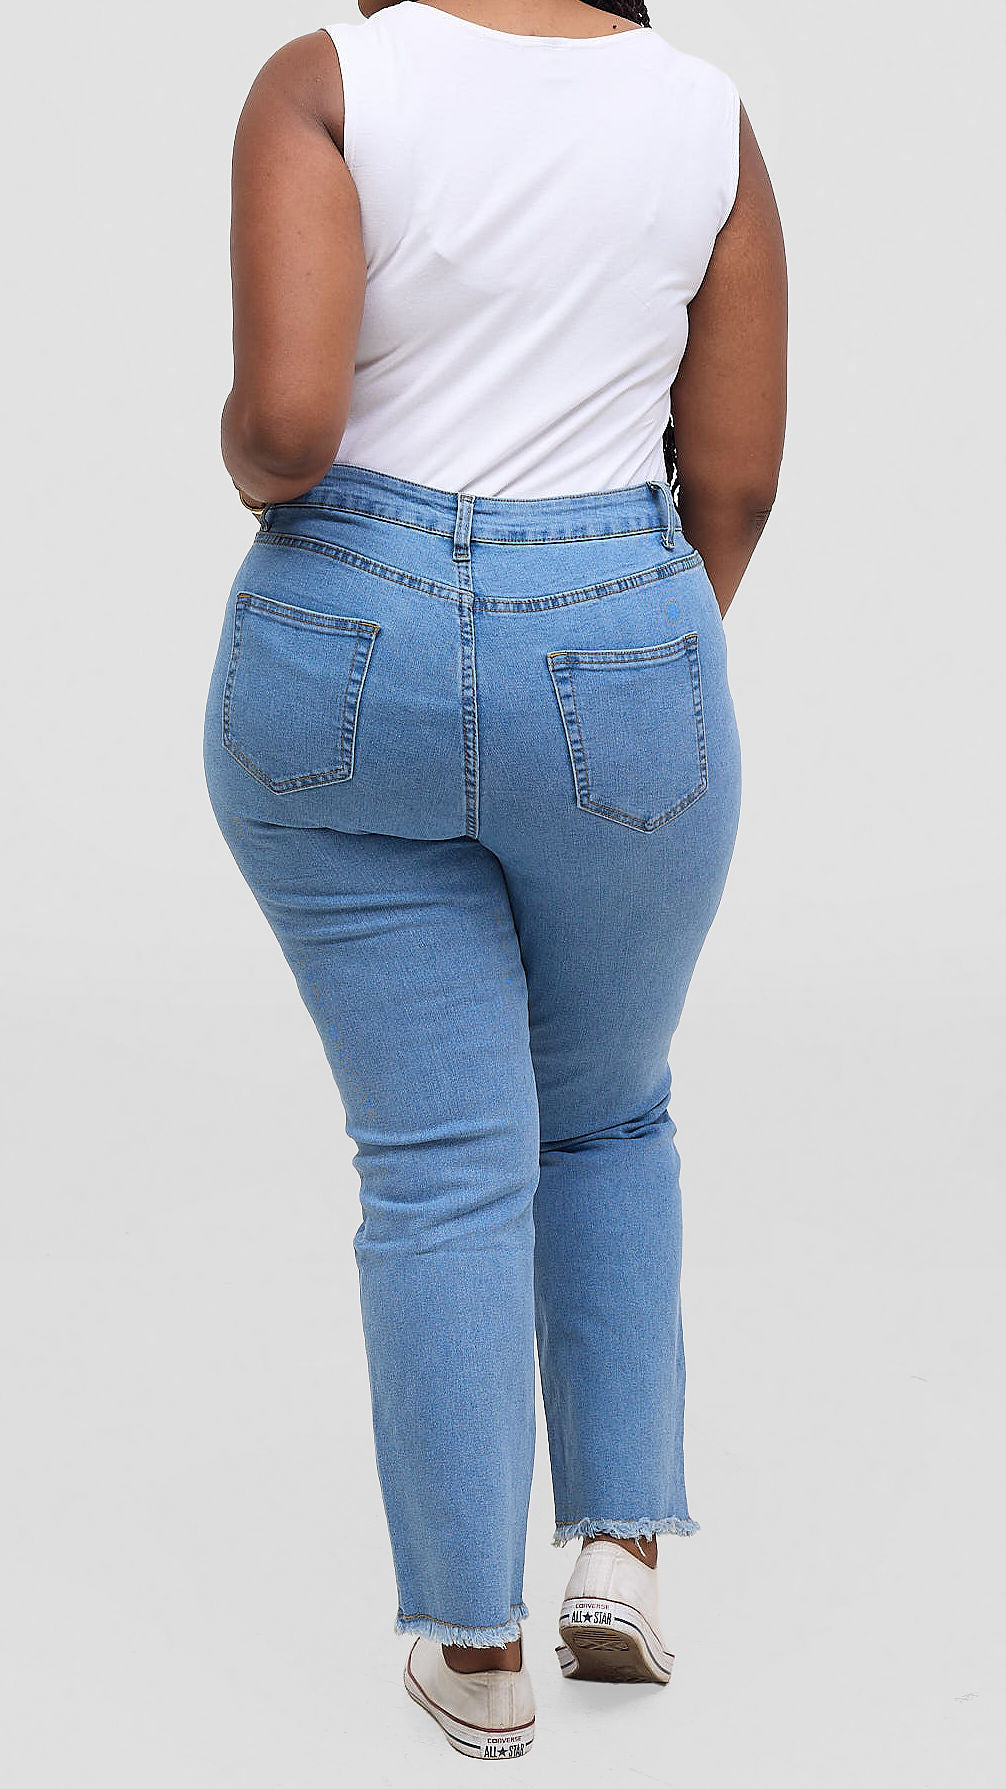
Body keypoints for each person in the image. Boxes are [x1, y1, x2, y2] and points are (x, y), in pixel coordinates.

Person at [202, 0, 787, 1761]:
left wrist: (249, 463)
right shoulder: (705, 117)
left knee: (438, 1158)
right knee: (601, 1114)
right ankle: (618, 1558)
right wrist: (617, 657)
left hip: (338, 649)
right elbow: (735, 473)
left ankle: (472, 1647)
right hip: (619, 644)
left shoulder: (328, 82)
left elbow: (288, 426)